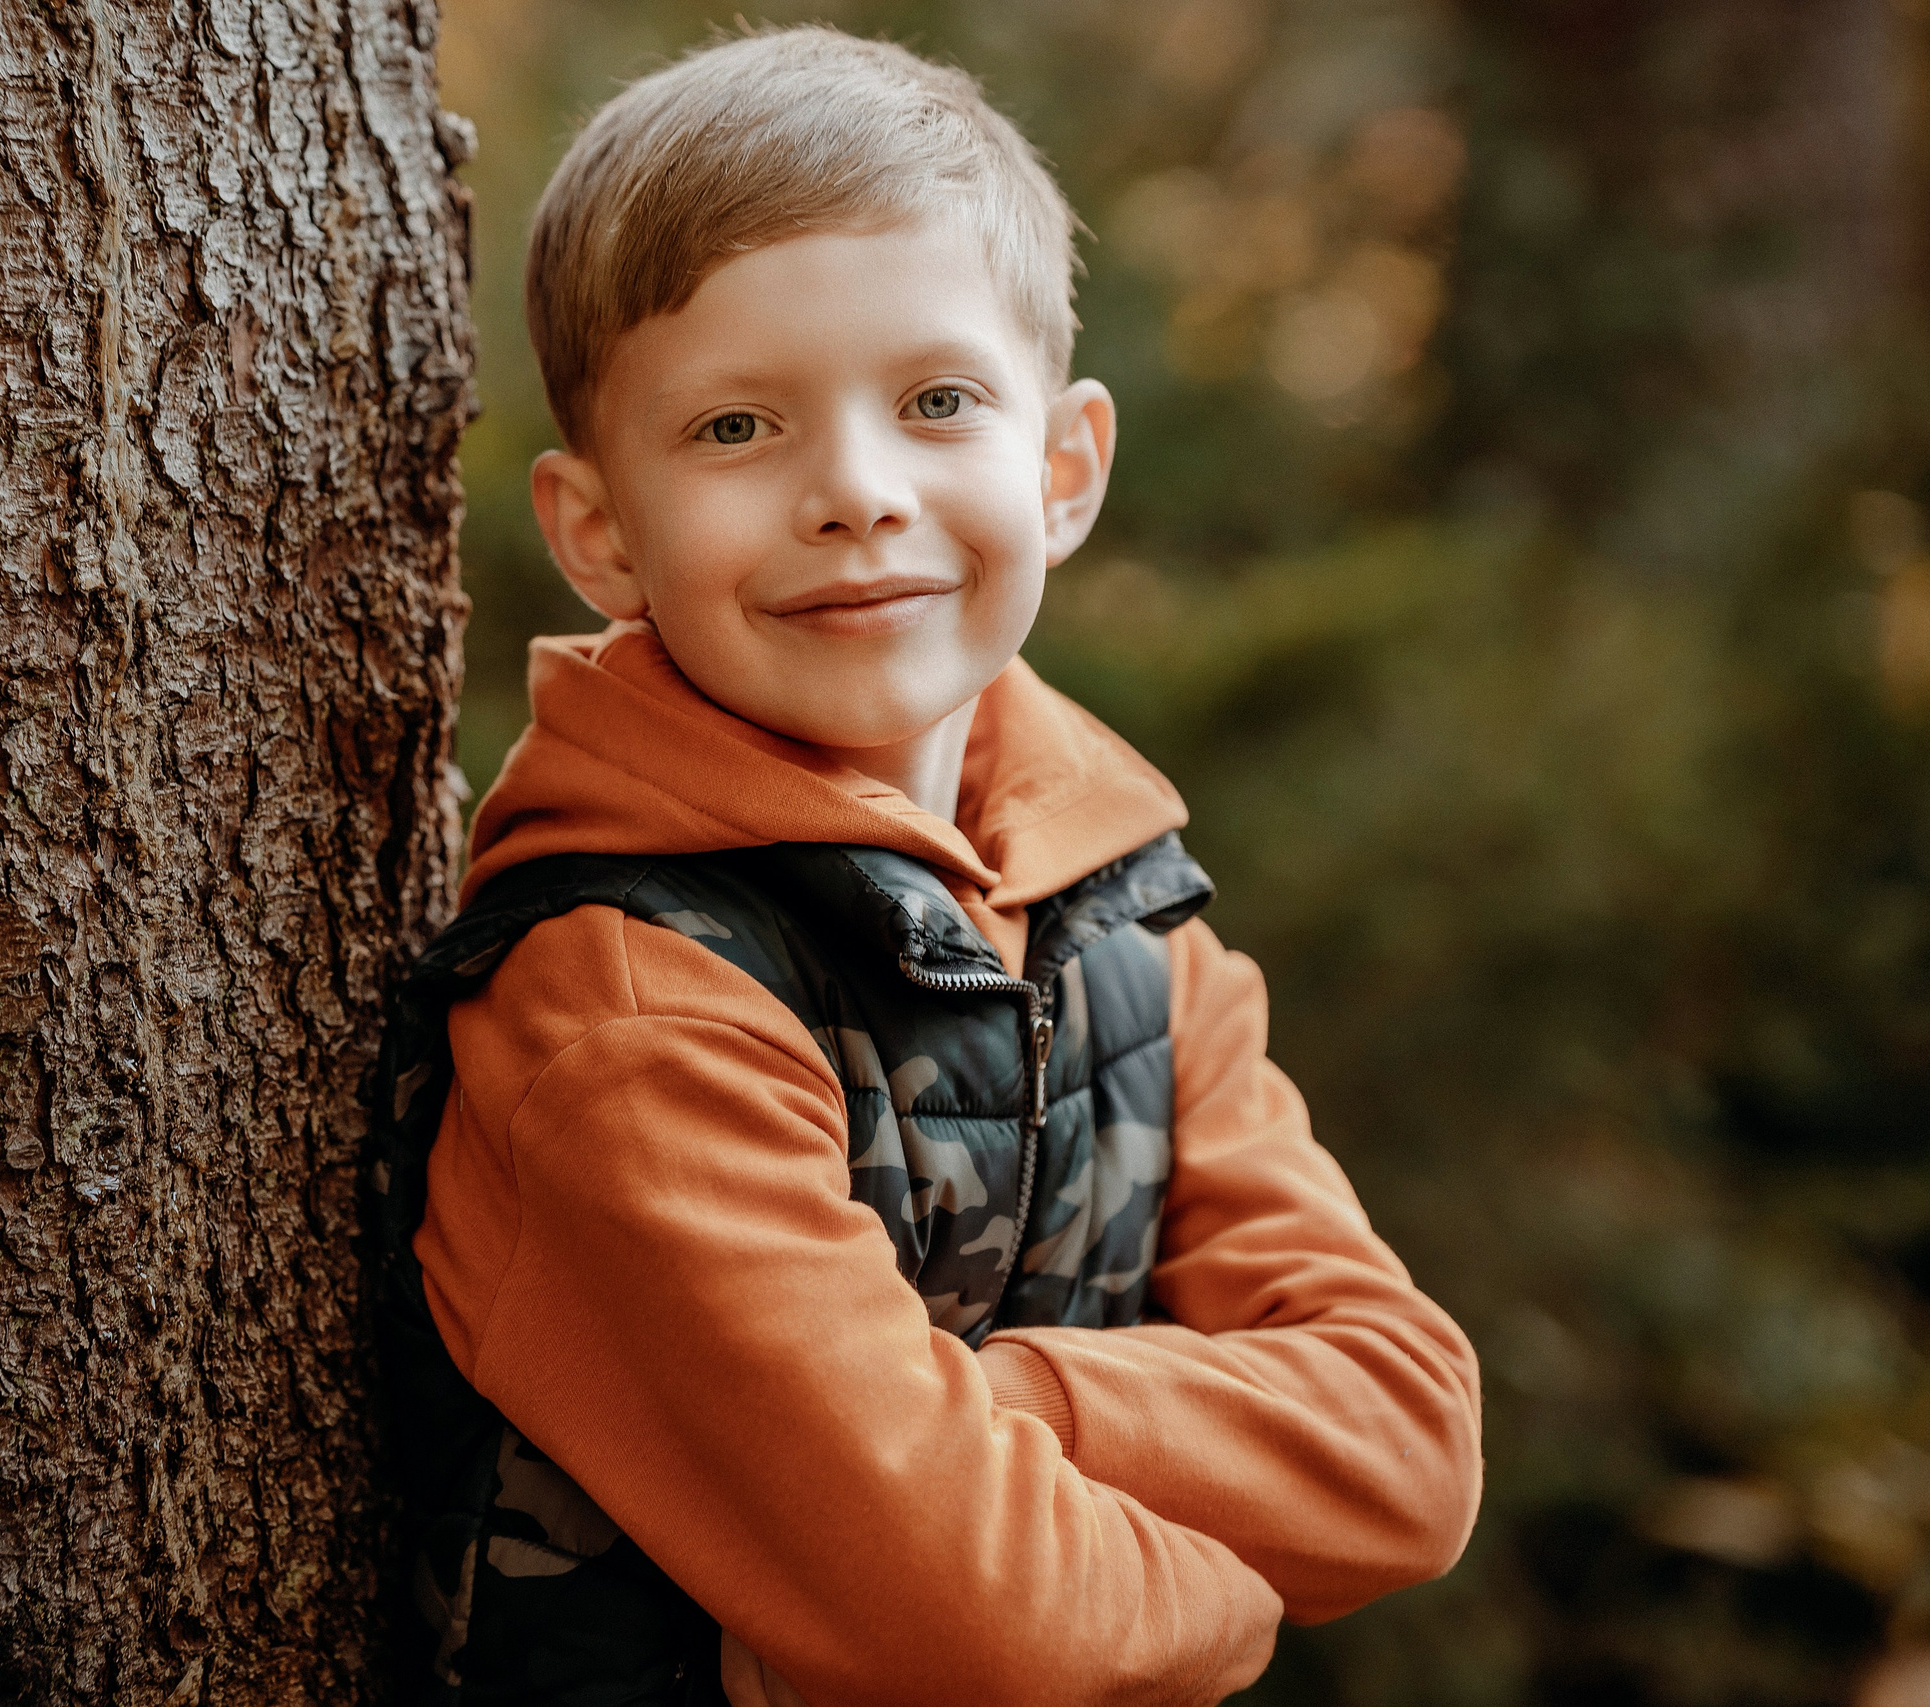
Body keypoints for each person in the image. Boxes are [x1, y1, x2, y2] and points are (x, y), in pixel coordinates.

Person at [369, 26, 1482, 1707]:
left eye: (938, 401)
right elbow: (979, 1630)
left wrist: (998, 1425)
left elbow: (1410, 1442)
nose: (858, 495)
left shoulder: (1126, 914)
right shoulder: (623, 1008)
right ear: (602, 534)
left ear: (1063, 470)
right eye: (738, 427)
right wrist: (1237, 1602)